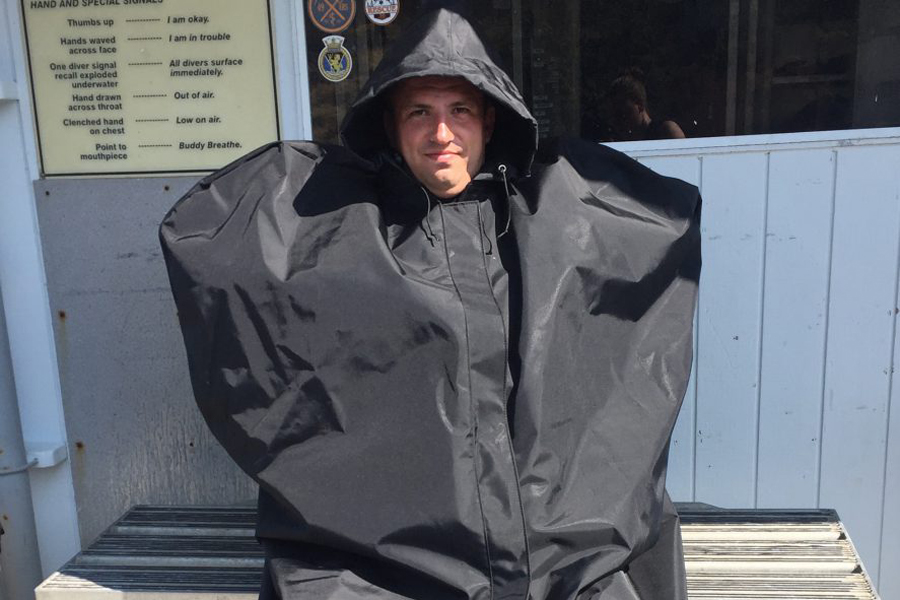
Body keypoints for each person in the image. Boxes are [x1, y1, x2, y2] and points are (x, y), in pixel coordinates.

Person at [160, 8, 701, 600]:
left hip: (563, 563)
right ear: (390, 126)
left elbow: (647, 245)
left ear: (489, 121)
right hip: (384, 573)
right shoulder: (346, 235)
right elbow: (220, 246)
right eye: (420, 112)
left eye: (459, 111)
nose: (441, 133)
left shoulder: (550, 220)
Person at [607, 68, 686, 141]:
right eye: (616, 116)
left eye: (624, 114)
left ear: (640, 105)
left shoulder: (666, 131)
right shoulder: (621, 141)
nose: (620, 121)